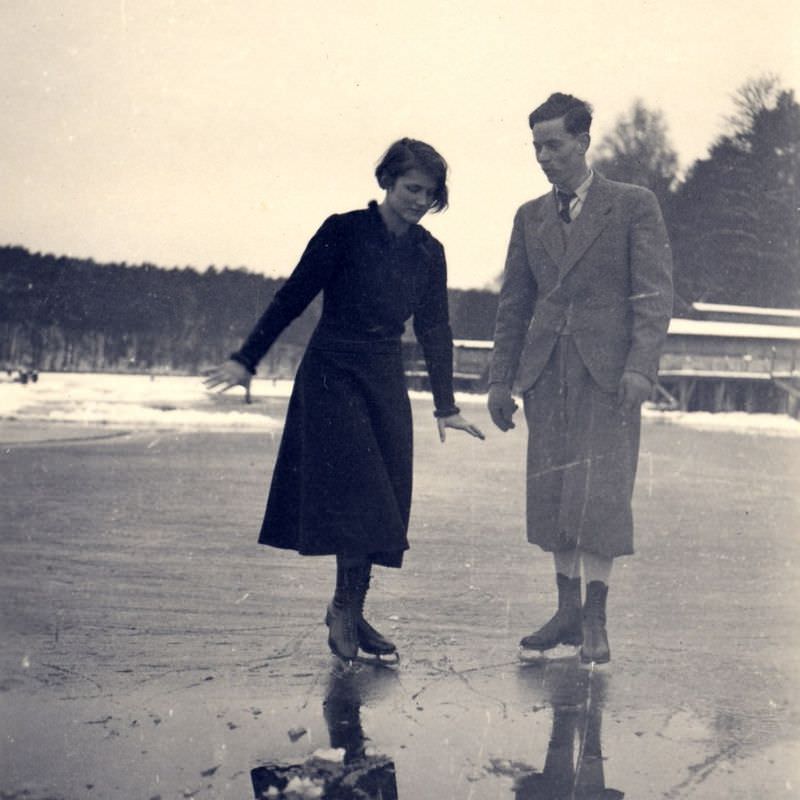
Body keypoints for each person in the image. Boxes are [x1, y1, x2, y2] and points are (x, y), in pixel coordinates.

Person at [205, 138, 484, 665]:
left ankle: (350, 612)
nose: (419, 200)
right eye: (411, 188)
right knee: (363, 496)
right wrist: (247, 357)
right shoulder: (344, 231)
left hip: (383, 376)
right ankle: (343, 608)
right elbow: (292, 296)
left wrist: (445, 403)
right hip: (332, 374)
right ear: (386, 182)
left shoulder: (429, 253)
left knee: (383, 502)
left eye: (429, 192)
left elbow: (435, 328)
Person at [488, 93, 673, 664]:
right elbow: (514, 303)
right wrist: (501, 380)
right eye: (536, 146)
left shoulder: (632, 205)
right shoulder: (529, 216)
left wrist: (641, 366)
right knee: (553, 496)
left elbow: (653, 294)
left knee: (600, 496)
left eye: (554, 144)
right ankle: (566, 612)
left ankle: (595, 618)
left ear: (583, 140)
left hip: (608, 376)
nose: (543, 156)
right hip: (546, 375)